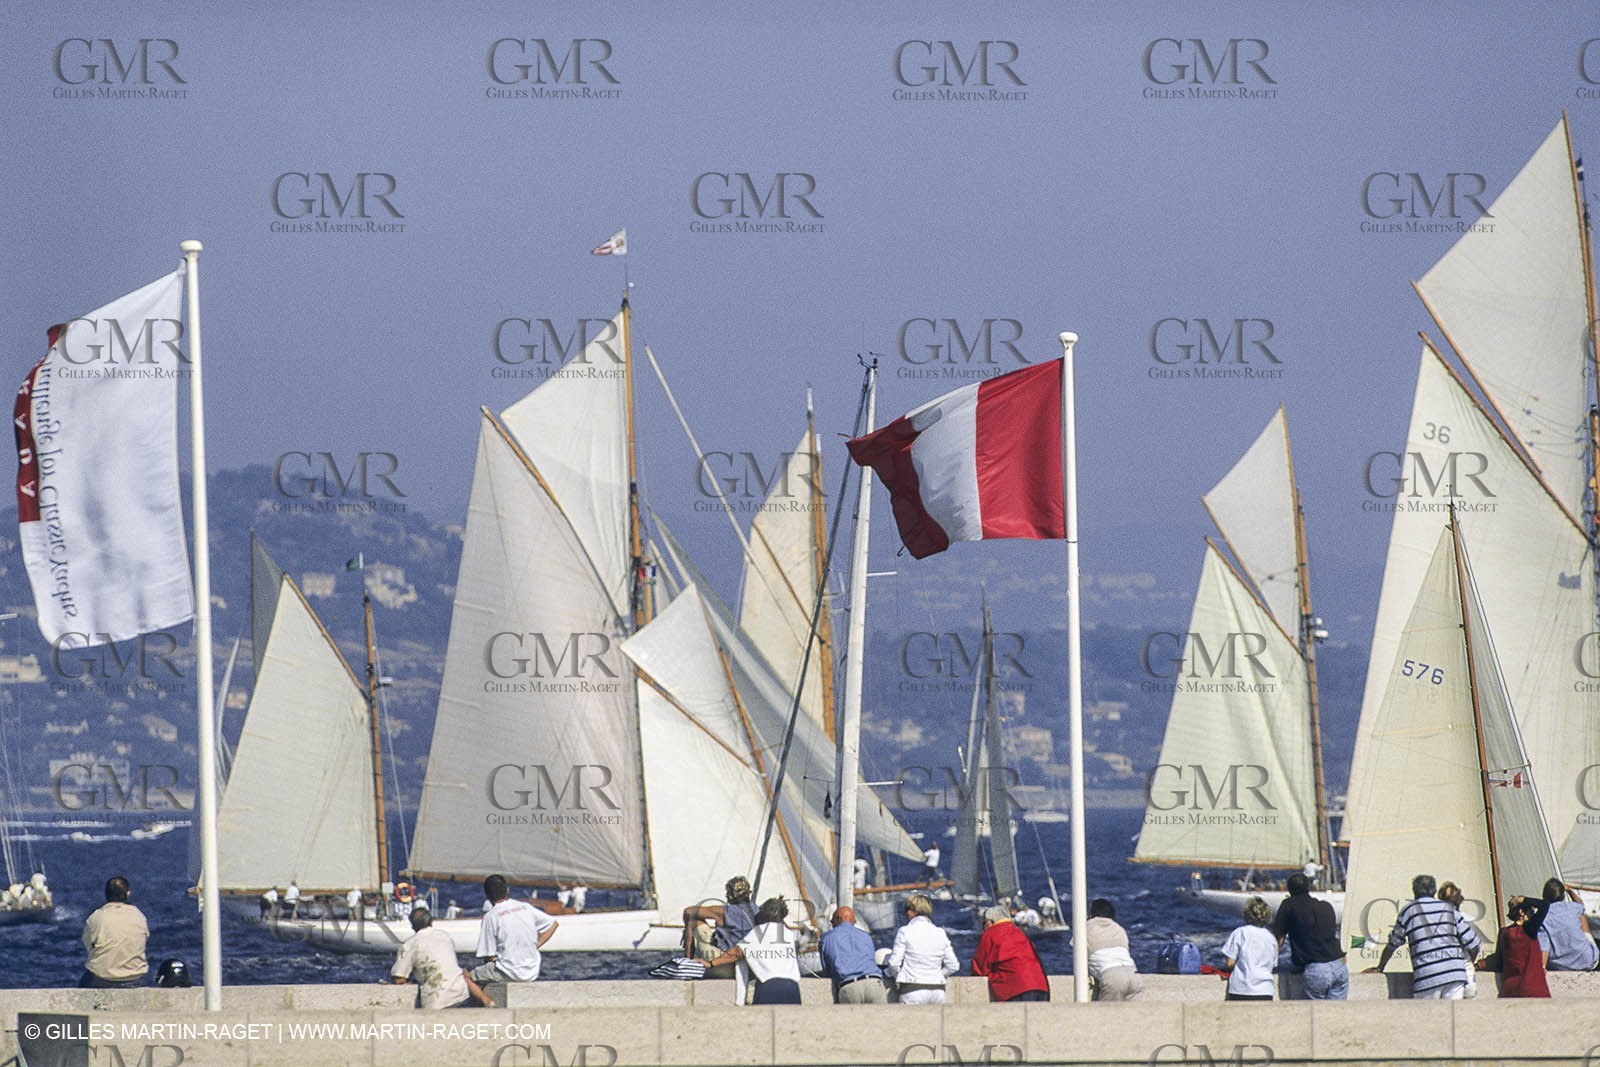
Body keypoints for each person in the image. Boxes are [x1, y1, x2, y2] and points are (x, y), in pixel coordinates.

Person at [1369, 874, 1480, 998]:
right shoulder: (1449, 909)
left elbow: (1393, 943)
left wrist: (1380, 967)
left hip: (1427, 977)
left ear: (1414, 891)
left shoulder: (1409, 910)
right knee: (1453, 1016)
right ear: (1434, 891)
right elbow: (1473, 943)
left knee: (1429, 1017)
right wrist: (1470, 962)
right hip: (1455, 976)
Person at [703, 897, 804, 1005]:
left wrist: (711, 963)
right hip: (793, 988)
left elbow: (737, 953)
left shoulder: (758, 933)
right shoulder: (788, 934)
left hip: (769, 987)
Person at [468, 873, 559, 992]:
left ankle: (486, 1004)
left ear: (487, 895)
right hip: (532, 971)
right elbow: (553, 924)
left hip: (509, 972)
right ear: (507, 890)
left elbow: (488, 956)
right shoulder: (525, 907)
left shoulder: (491, 916)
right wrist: (535, 946)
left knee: (466, 976)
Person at [1271, 872, 1348, 999]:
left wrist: (1271, 964)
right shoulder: (1326, 906)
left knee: (1316, 1016)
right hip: (1339, 966)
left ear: (1289, 890)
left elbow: (1279, 939)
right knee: (1336, 1016)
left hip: (1317, 969)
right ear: (1309, 887)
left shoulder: (1288, 905)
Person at [391, 906, 473, 1008]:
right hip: (460, 992)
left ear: (412, 926)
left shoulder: (407, 945)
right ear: (431, 922)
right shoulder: (444, 936)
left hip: (436, 999)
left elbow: (399, 977)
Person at [682, 875, 758, 979]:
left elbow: (688, 911)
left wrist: (686, 931)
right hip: (746, 967)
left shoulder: (724, 912)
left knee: (693, 921)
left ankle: (687, 962)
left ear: (730, 895)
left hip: (722, 964)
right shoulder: (758, 910)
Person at [888, 893, 959, 1004]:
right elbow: (953, 966)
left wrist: (901, 977)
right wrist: (937, 975)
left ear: (911, 911)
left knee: (910, 1022)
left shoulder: (905, 931)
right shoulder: (940, 932)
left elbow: (894, 963)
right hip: (938, 991)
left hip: (912, 989)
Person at [971, 904, 1050, 1002]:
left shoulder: (991, 934)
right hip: (1041, 987)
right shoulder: (1019, 933)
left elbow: (979, 967)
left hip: (1016, 989)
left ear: (989, 922)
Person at [81, 876, 149, 988]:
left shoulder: (97, 917)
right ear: (128, 894)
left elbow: (87, 943)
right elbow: (144, 940)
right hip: (135, 978)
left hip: (101, 978)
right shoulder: (138, 916)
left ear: (106, 894)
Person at [1477, 896, 1551, 997]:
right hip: (1533, 990)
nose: (1532, 914)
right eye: (1530, 911)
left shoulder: (1504, 933)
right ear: (1521, 912)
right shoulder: (1529, 930)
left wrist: (1479, 965)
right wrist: (1522, 899)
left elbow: (1497, 961)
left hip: (1511, 991)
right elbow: (1545, 905)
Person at [817, 905, 887, 1003]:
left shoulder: (827, 938)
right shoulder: (866, 936)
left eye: (832, 922)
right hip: (875, 984)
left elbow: (827, 970)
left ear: (837, 919)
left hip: (849, 987)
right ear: (852, 921)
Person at [1536, 877, 1599, 971]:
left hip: (1560, 965)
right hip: (1588, 960)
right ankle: (1588, 938)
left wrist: (1542, 967)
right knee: (1581, 916)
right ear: (1563, 895)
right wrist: (1570, 890)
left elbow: (1544, 946)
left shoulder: (1542, 916)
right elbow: (1580, 904)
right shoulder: (1573, 908)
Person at [1222, 897, 1278, 1001]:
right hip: (1265, 990)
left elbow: (1230, 963)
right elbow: (1272, 966)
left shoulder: (1240, 932)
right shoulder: (1271, 937)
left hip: (1241, 988)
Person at [1085, 898, 1142, 1000]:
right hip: (1134, 976)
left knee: (1106, 1015)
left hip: (1112, 977)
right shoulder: (1119, 929)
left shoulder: (1086, 928)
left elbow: (1078, 954)